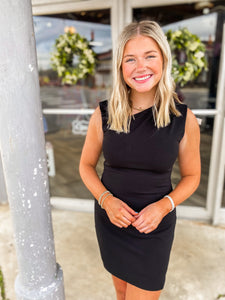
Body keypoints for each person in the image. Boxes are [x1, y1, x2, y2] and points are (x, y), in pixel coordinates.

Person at [79, 20, 201, 300]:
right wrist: (106, 201)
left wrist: (162, 207)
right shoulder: (104, 114)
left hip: (155, 228)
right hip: (111, 222)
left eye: (150, 56)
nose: (140, 67)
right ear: (121, 68)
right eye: (130, 59)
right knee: (121, 294)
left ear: (164, 60)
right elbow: (85, 166)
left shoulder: (183, 119)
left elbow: (192, 177)